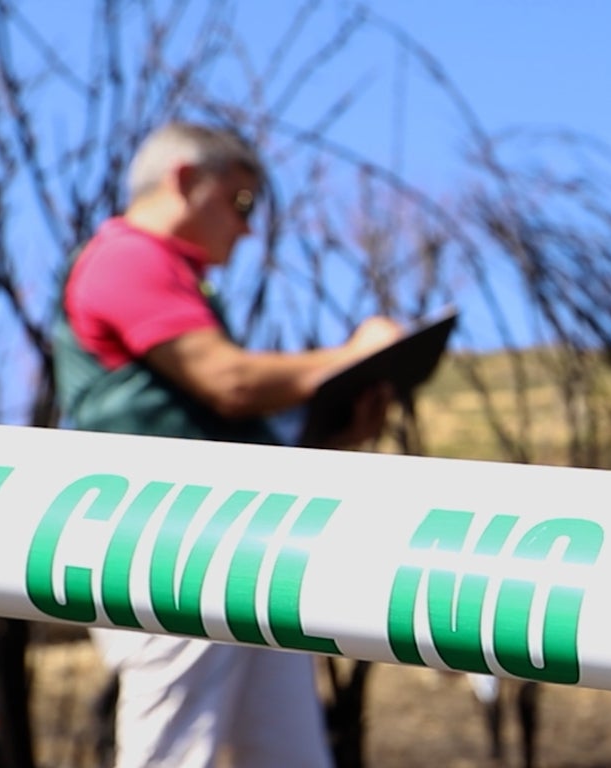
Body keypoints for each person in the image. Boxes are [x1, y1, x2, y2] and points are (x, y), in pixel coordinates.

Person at [52, 122, 403, 768]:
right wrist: (352, 357)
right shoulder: (129, 258)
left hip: (234, 545)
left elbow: (217, 421)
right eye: (241, 203)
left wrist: (333, 434)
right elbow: (228, 382)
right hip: (164, 548)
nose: (247, 229)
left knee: (288, 754)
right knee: (172, 754)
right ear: (184, 179)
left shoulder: (172, 273)